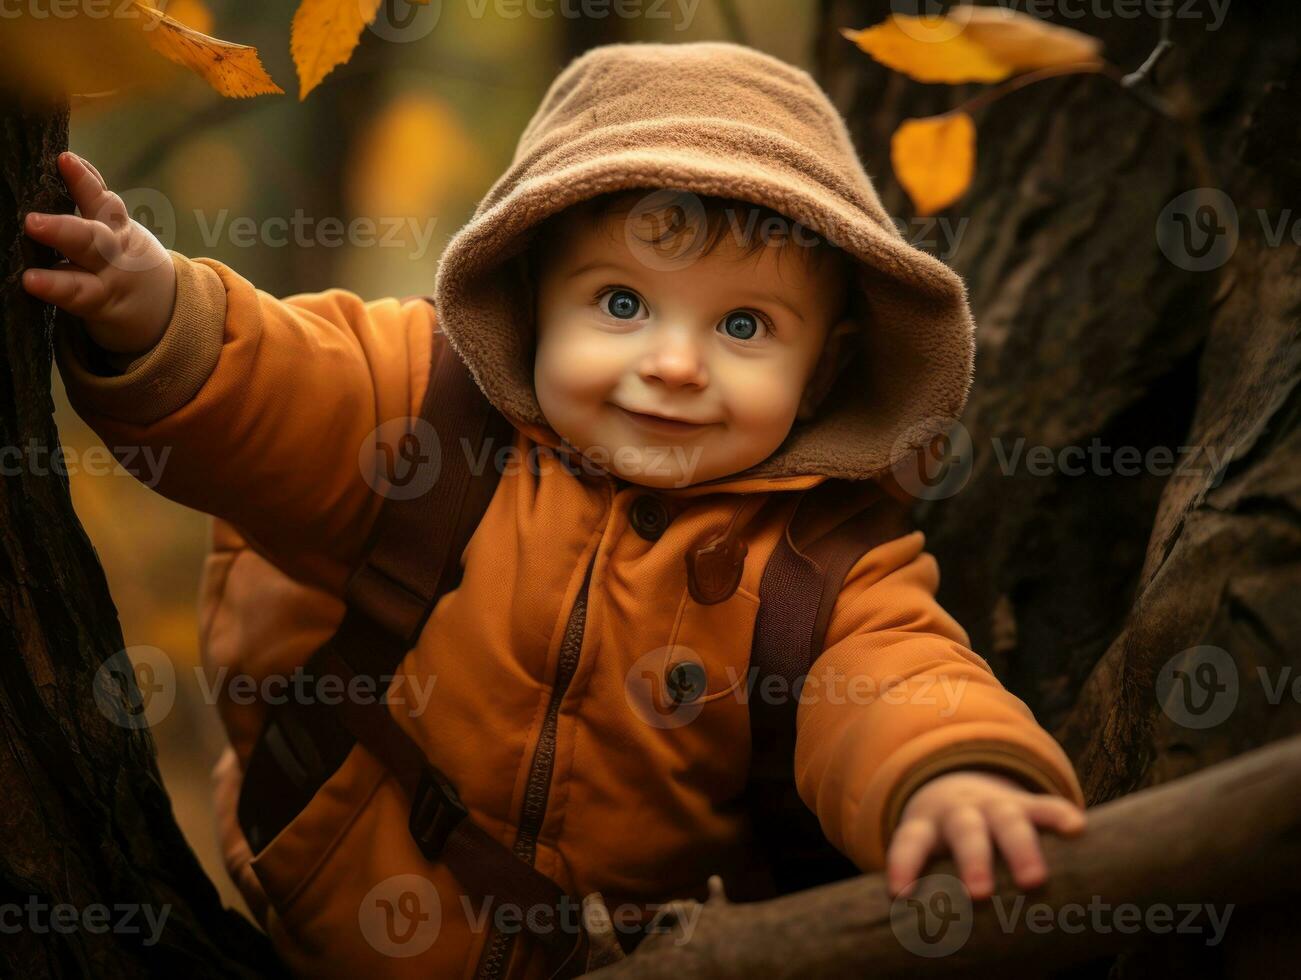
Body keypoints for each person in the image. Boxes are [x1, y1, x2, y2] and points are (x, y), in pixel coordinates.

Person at [23, 41, 1086, 979]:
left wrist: (954, 776)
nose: (672, 363)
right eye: (620, 303)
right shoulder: (425, 402)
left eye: (745, 325)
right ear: (532, 292)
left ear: (823, 368)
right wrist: (156, 307)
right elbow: (283, 383)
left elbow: (901, 679)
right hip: (334, 897)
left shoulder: (822, 560)